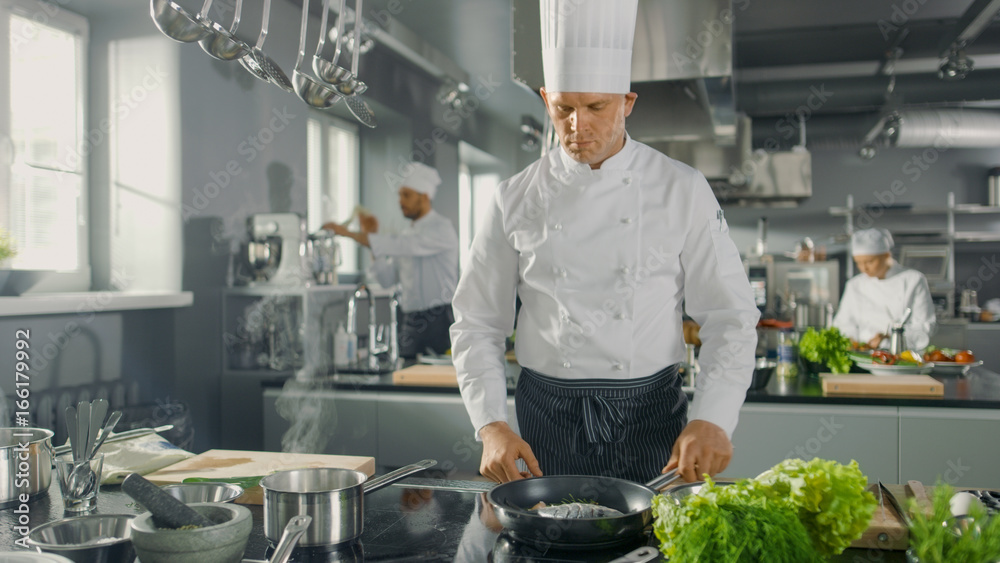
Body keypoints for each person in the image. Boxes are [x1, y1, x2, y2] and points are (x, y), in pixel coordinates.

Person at [450, 0, 760, 485]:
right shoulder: (513, 198)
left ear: (627, 103)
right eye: (564, 108)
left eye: (597, 107)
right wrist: (490, 424)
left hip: (651, 419)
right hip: (544, 422)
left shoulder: (682, 187)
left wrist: (714, 417)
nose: (578, 127)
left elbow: (730, 316)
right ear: (546, 97)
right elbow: (476, 324)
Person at [324, 162, 459, 358]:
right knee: (405, 376)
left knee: (443, 377)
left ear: (424, 196)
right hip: (410, 320)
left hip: (440, 319)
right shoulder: (406, 235)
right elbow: (387, 279)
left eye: (406, 195)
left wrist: (348, 233)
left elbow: (404, 245)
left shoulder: (441, 228)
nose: (400, 201)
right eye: (399, 195)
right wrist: (371, 236)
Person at [833, 228, 937, 350]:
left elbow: (924, 327)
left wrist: (890, 337)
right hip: (862, 355)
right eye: (858, 263)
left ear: (887, 255)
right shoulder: (854, 284)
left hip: (901, 355)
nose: (864, 268)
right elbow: (843, 324)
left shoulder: (913, 280)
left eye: (869, 261)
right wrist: (851, 340)